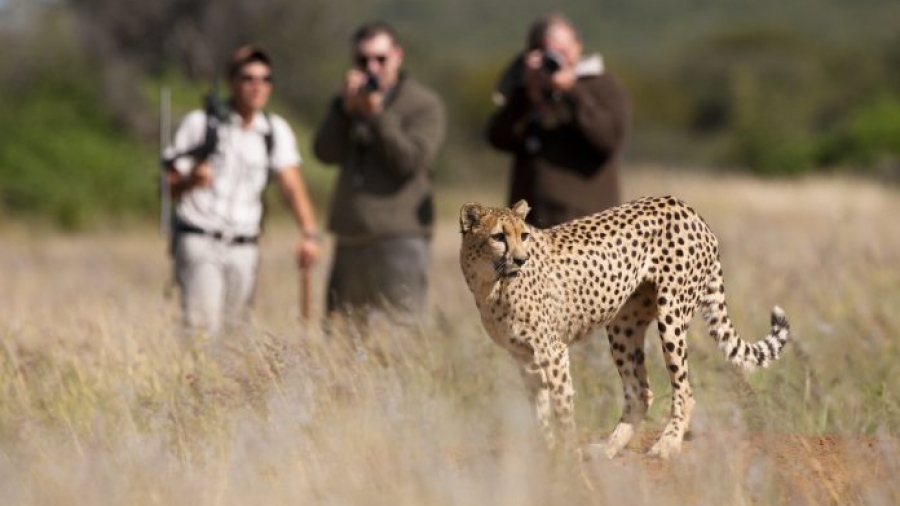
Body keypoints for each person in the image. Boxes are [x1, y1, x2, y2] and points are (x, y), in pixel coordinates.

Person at [164, 44, 322, 337]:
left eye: (265, 79)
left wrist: (309, 233)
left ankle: (226, 383)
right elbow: (169, 187)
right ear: (232, 81)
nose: (257, 86)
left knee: (236, 335)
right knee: (201, 331)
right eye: (248, 78)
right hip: (201, 237)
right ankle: (198, 382)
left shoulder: (275, 130)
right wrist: (191, 181)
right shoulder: (201, 124)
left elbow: (291, 183)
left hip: (245, 245)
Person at [313, 21, 446, 320]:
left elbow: (410, 161)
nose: (372, 67)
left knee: (399, 334)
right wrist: (343, 112)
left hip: (400, 235)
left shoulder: (424, 104)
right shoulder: (347, 103)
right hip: (350, 234)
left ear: (398, 56)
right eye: (363, 60)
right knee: (343, 336)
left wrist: (377, 115)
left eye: (380, 59)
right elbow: (325, 153)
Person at [486, 12, 631, 228]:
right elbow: (497, 138)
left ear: (578, 45)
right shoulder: (527, 92)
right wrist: (527, 96)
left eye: (562, 51)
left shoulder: (603, 85)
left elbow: (608, 140)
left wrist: (571, 91)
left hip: (588, 226)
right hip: (531, 225)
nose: (556, 60)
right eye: (547, 54)